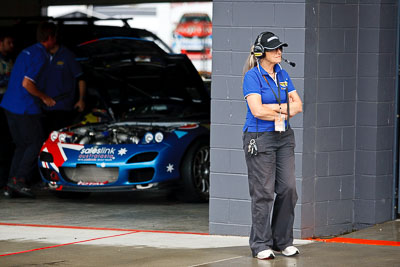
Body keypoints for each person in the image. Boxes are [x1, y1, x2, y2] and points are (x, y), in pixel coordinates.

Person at [242, 32, 303, 260]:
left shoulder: (283, 74)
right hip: (260, 138)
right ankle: (260, 244)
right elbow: (257, 111)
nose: (279, 52)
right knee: (263, 193)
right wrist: (283, 109)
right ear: (260, 53)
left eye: (280, 48)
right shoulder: (252, 76)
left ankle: (282, 241)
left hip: (284, 136)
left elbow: (299, 105)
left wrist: (276, 110)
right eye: (274, 49)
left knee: (288, 189)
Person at [0, 22, 57, 198]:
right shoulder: (40, 55)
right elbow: (27, 84)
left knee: (22, 145)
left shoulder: (27, 51)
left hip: (9, 105)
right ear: (50, 38)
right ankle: (20, 180)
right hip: (24, 107)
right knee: (36, 142)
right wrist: (44, 97)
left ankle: (11, 183)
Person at [41, 40, 86, 135]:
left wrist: (81, 99)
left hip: (63, 106)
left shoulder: (68, 55)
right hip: (44, 107)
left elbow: (81, 78)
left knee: (61, 138)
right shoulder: (42, 55)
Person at [0, 32, 15, 191]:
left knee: (6, 143)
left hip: (7, 104)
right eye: (8, 42)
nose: (12, 46)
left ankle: (5, 179)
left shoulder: (10, 60)